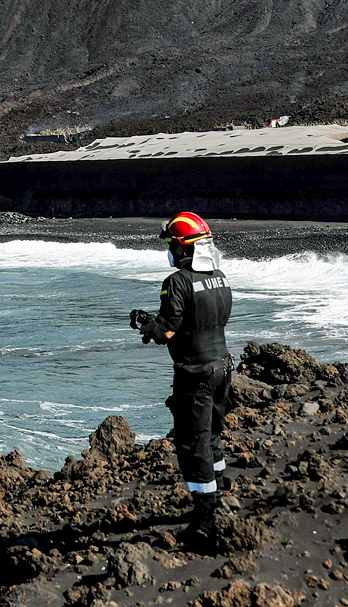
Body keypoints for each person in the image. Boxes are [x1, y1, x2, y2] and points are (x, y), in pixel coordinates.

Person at [139, 211, 233, 545]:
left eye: (172, 245)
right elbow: (201, 320)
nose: (171, 252)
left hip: (195, 373)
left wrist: (149, 327)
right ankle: (219, 497)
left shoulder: (176, 282)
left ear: (183, 248)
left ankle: (204, 520)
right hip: (223, 367)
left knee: (193, 445)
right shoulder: (220, 277)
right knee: (212, 435)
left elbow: (167, 330)